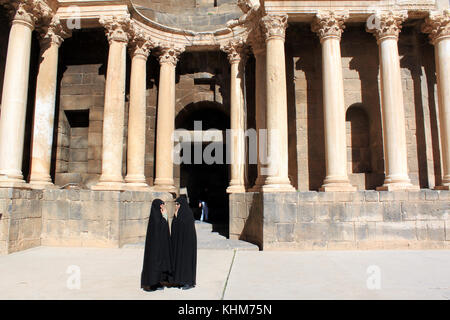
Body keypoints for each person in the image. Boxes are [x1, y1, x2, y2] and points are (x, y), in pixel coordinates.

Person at [141, 199, 172, 292]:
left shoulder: (159, 216)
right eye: (161, 205)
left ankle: (158, 282)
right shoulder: (155, 217)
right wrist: (165, 216)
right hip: (154, 248)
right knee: (153, 265)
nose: (163, 207)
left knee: (159, 264)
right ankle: (150, 284)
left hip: (159, 246)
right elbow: (160, 228)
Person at [170, 196, 197, 290]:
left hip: (187, 244)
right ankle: (180, 280)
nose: (176, 206)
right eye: (175, 204)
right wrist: (176, 218)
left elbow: (186, 228)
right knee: (180, 261)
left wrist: (178, 218)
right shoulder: (177, 214)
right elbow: (174, 228)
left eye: (177, 204)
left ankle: (188, 282)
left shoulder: (188, 213)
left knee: (186, 262)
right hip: (180, 243)